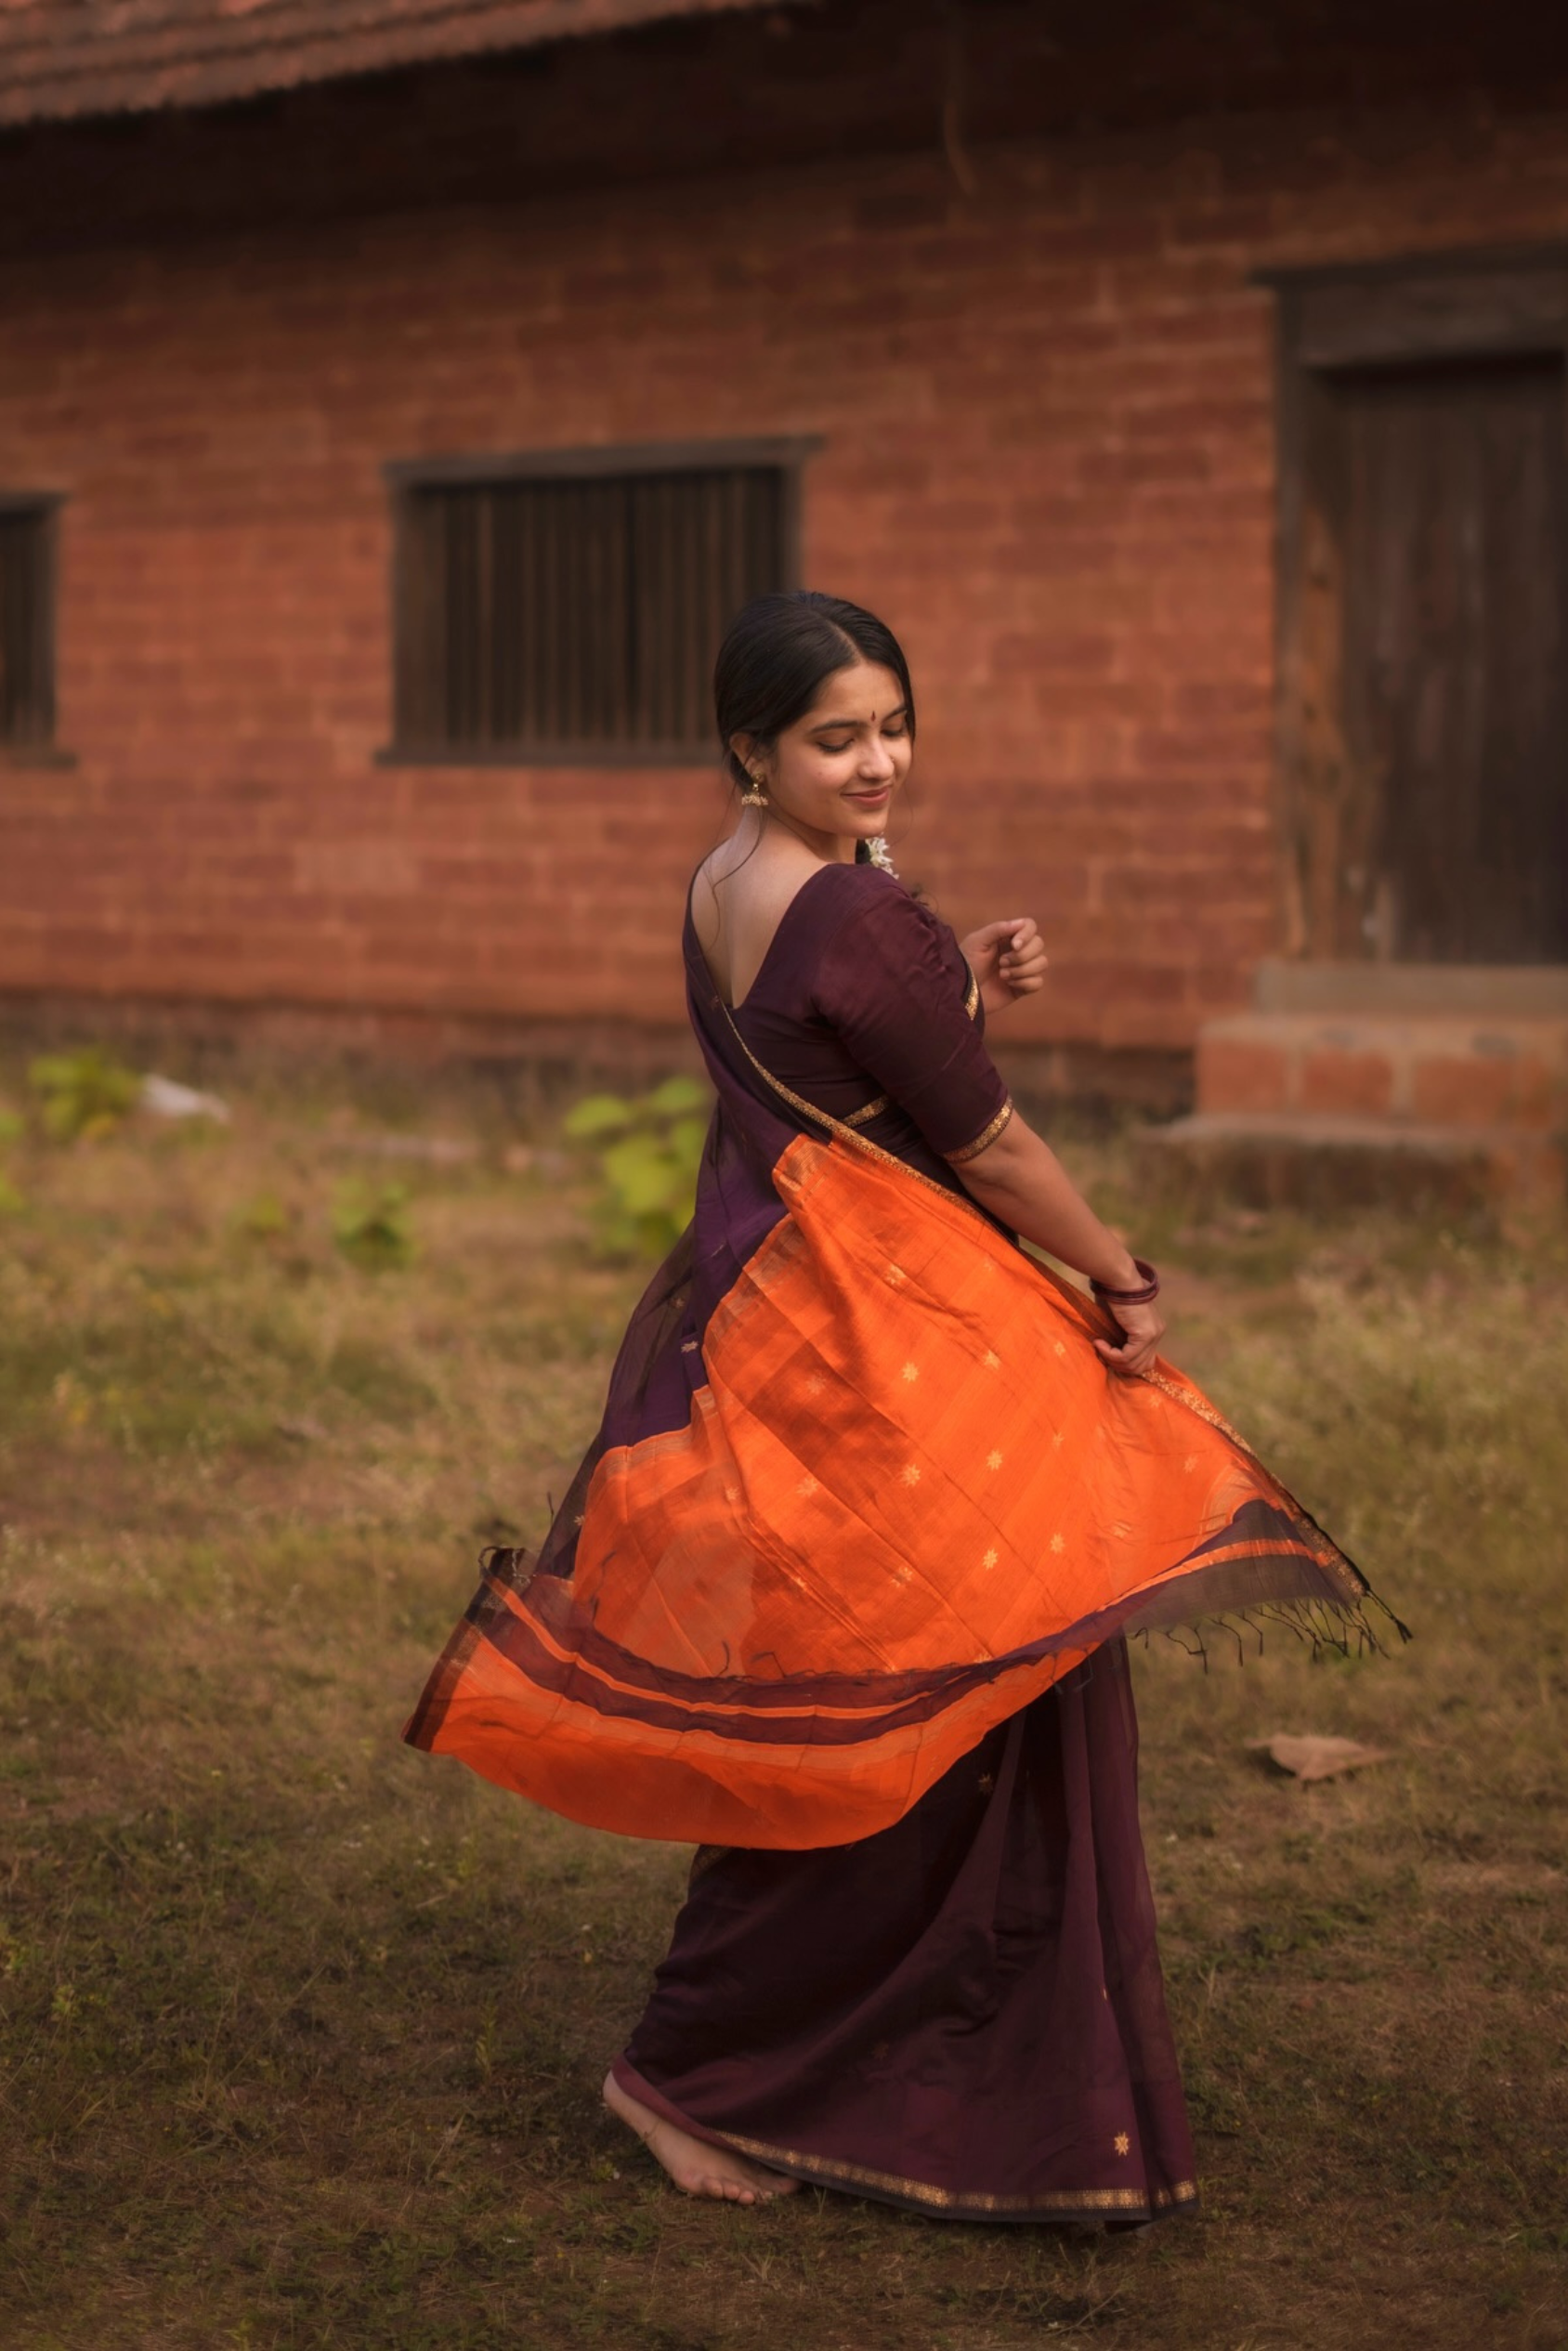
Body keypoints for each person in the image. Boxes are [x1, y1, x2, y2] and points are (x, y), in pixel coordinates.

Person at [407, 592, 1387, 2223]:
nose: (878, 763)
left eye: (893, 725)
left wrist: (957, 973)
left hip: (779, 1317)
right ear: (751, 747)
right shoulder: (853, 917)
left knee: (878, 1694)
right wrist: (1117, 1270)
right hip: (886, 1342)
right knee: (929, 1700)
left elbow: (838, 1039)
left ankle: (798, 2061)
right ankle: (704, 2069)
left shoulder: (733, 880)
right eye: (835, 737)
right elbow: (988, 1144)